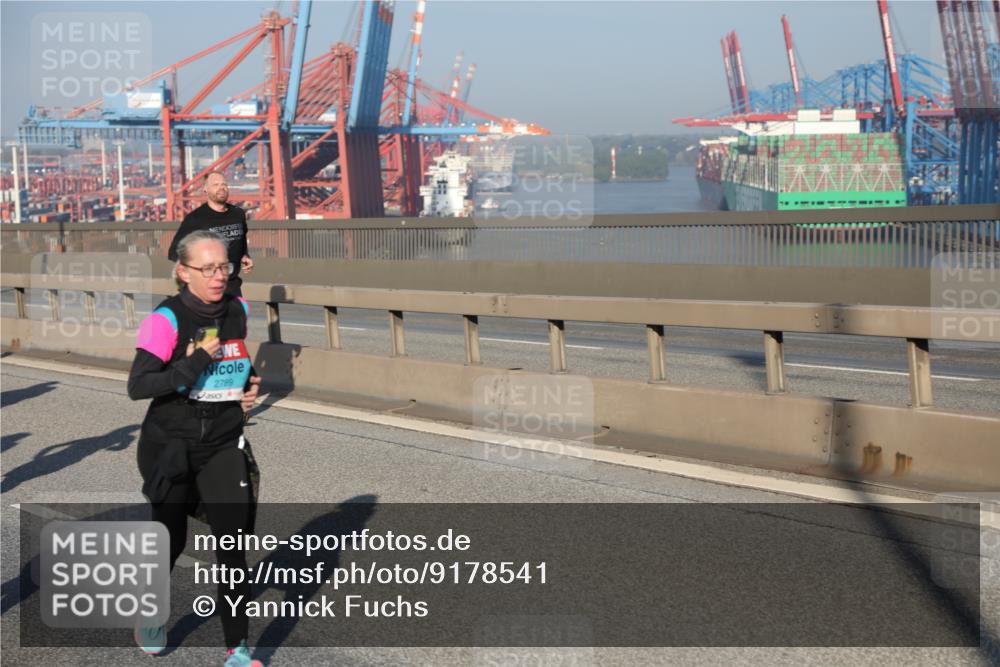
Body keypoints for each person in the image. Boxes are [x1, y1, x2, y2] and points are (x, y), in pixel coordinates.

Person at [129, 230, 263, 666]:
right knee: (170, 541)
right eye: (207, 268)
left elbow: (238, 362)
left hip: (222, 441)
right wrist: (196, 360)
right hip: (171, 444)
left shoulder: (238, 310)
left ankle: (238, 650)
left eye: (223, 266)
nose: (218, 276)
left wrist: (247, 384)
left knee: (232, 544)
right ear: (182, 273)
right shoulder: (165, 320)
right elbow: (140, 385)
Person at [168, 171, 254, 297]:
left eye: (224, 184)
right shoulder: (195, 219)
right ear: (205, 189)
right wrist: (200, 267)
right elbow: (174, 252)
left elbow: (240, 239)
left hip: (233, 287)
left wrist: (245, 255)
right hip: (206, 288)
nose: (221, 188)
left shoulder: (238, 214)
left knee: (238, 317)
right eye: (215, 184)